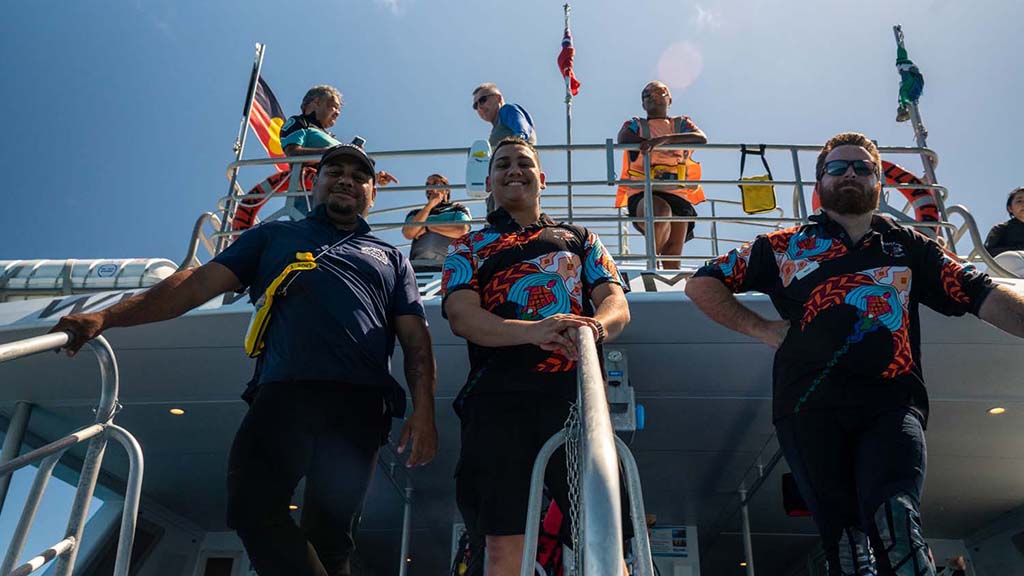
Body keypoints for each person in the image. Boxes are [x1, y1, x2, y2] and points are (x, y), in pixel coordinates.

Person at [51, 144, 439, 576]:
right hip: (285, 394)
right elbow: (195, 285)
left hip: (361, 406)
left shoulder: (391, 258)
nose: (347, 179)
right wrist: (106, 316)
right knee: (252, 508)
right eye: (335, 171)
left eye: (359, 175)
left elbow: (415, 340)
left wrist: (425, 411)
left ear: (372, 193)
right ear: (315, 183)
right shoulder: (273, 236)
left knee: (331, 540)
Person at [685, 132, 1024, 576]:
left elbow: (983, 293)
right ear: (820, 181)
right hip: (807, 408)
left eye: (862, 168)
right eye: (838, 167)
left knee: (897, 521)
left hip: (891, 402)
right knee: (846, 544)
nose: (850, 174)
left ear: (878, 181)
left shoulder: (910, 247)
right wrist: (761, 328)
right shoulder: (783, 246)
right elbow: (702, 281)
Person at [442, 137, 631, 576]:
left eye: (524, 163)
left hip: (577, 399)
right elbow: (461, 315)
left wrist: (593, 329)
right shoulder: (467, 247)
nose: (513, 170)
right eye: (502, 164)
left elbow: (616, 304)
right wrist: (536, 330)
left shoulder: (581, 238)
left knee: (603, 542)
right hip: (497, 401)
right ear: (489, 181)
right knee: (504, 545)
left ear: (541, 178)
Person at [616, 80, 708, 269]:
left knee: (673, 253)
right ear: (643, 103)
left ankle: (669, 286)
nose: (654, 97)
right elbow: (623, 137)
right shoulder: (636, 124)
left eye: (661, 93)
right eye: (648, 94)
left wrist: (664, 140)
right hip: (644, 191)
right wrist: (646, 142)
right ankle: (651, 264)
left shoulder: (681, 124)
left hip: (677, 194)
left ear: (670, 100)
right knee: (660, 213)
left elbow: (700, 138)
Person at [471, 83, 536, 214]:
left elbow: (522, 133)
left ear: (499, 98)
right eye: (475, 105)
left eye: (483, 100)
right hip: (501, 184)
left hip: (512, 182)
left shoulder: (507, 110)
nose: (480, 106)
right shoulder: (497, 128)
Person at [401, 173, 472, 270]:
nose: (430, 187)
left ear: (447, 190)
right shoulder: (415, 214)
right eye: (427, 185)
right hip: (418, 266)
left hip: (451, 266)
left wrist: (427, 227)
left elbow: (462, 230)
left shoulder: (458, 209)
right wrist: (431, 204)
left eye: (435, 183)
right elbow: (408, 233)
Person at [984, 187, 1024, 276]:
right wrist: (1018, 249)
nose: (1023, 204)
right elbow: (988, 252)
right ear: (1010, 208)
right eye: (1019, 201)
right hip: (1006, 271)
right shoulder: (1001, 228)